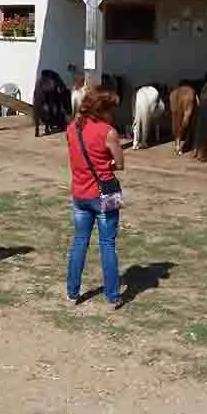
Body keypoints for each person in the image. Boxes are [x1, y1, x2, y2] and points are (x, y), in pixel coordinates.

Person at [65, 86, 125, 306]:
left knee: (80, 242)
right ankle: (112, 296)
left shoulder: (72, 128)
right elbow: (119, 163)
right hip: (104, 194)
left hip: (80, 193)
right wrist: (107, 163)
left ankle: (72, 293)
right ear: (104, 110)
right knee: (107, 244)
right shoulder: (108, 132)